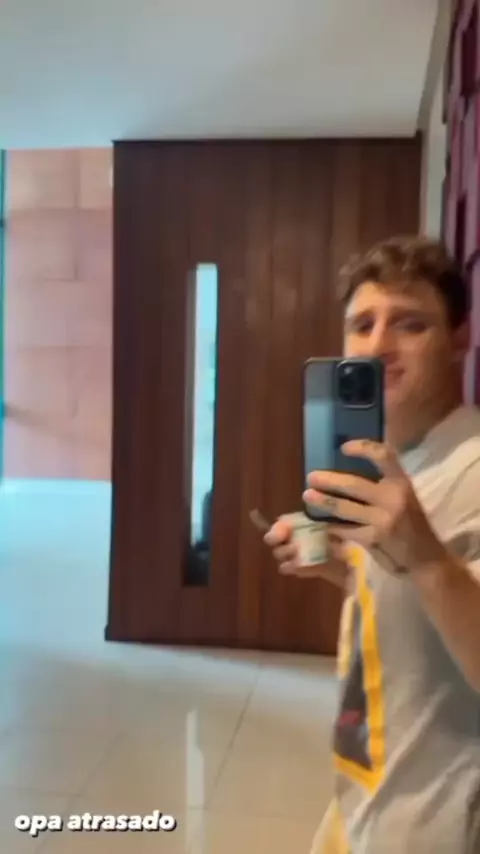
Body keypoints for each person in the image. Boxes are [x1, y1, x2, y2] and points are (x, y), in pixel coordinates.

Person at [264, 235, 480, 854]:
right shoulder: (394, 465)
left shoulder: (471, 468)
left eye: (410, 324)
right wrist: (345, 568)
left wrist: (426, 557)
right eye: (362, 325)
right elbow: (424, 607)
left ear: (460, 339)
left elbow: (436, 573)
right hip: (365, 803)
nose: (379, 344)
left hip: (436, 826)